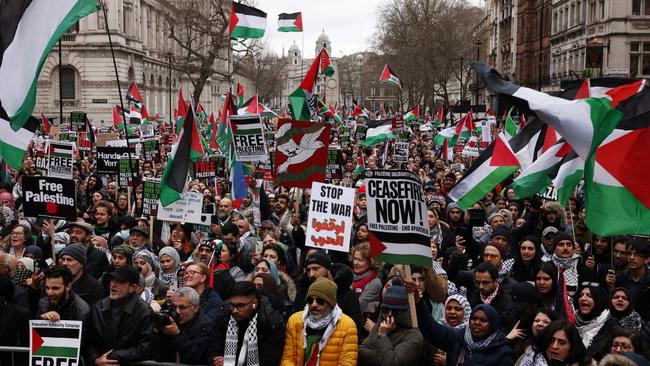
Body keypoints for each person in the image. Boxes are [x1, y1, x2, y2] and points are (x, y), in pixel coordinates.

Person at [281, 277, 358, 366]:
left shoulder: (347, 326)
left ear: (330, 303)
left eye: (320, 301)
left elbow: (347, 363)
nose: (314, 304)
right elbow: (288, 358)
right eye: (310, 300)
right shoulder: (294, 320)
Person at [86, 265, 152, 365]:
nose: (113, 284)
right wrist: (96, 360)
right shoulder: (98, 308)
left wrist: (113, 357)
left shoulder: (144, 311)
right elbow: (90, 342)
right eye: (112, 280)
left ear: (132, 288)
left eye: (120, 281)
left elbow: (145, 349)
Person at [209, 281, 285, 366]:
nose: (234, 310)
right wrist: (217, 358)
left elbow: (271, 359)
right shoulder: (225, 313)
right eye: (232, 305)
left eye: (240, 306)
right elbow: (214, 346)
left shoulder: (270, 320)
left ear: (254, 304)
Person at [416, 301, 515, 366]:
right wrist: (418, 303)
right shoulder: (458, 337)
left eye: (483, 320)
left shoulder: (503, 353)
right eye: (474, 318)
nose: (477, 322)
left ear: (492, 325)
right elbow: (432, 329)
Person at [358, 275, 424, 366]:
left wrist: (383, 336)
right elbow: (361, 351)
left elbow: (392, 363)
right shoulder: (381, 324)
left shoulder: (414, 336)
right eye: (386, 310)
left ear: (404, 312)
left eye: (394, 311)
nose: (389, 314)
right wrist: (384, 356)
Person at [152, 287, 215, 365]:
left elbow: (194, 357)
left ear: (195, 308)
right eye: (174, 307)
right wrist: (158, 332)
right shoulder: (171, 320)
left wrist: (177, 334)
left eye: (182, 307)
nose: (177, 311)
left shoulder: (206, 326)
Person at [516, 320, 593, 366]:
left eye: (562, 343)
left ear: (572, 347)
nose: (554, 346)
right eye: (551, 340)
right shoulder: (530, 356)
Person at [574, 284, 618, 361]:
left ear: (598, 300)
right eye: (581, 295)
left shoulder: (611, 326)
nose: (583, 298)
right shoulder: (571, 320)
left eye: (589, 296)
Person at [613, 238, 650, 320]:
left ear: (647, 259)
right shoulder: (621, 277)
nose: (632, 258)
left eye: (637, 255)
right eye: (629, 254)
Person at [351, 243, 382, 313]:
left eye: (360, 260)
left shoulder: (375, 282)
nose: (355, 262)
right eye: (355, 259)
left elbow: (359, 305)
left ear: (370, 262)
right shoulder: (348, 275)